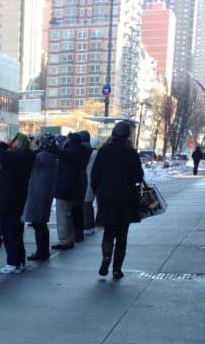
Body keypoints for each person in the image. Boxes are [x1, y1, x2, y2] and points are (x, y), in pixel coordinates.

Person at [90, 120, 143, 281]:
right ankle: (117, 269)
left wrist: (98, 191)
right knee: (122, 235)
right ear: (127, 136)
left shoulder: (104, 151)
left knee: (108, 231)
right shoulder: (131, 153)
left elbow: (94, 175)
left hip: (107, 198)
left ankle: (106, 257)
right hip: (126, 199)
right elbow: (138, 176)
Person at [0, 132, 35, 274]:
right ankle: (19, 261)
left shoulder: (19, 157)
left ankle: (13, 261)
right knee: (16, 231)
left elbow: (4, 156)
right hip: (15, 198)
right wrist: (4, 146)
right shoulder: (25, 156)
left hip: (10, 199)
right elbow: (7, 156)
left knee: (9, 231)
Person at [24, 133, 59, 261]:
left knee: (38, 223)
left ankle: (41, 251)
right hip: (44, 191)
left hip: (38, 191)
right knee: (41, 223)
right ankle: (43, 250)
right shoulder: (52, 156)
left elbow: (29, 159)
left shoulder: (42, 156)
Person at [52, 132, 87, 250]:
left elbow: (61, 154)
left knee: (63, 215)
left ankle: (64, 240)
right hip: (74, 189)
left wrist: (53, 146)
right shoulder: (80, 151)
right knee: (69, 214)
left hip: (65, 188)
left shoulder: (71, 151)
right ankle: (69, 238)